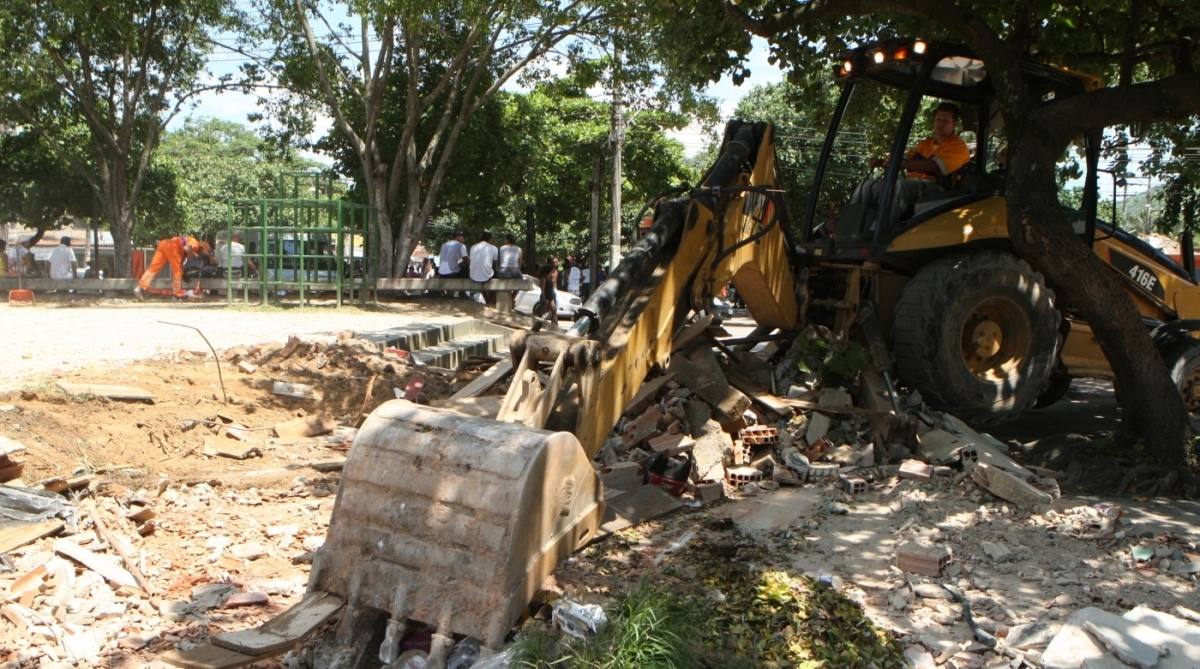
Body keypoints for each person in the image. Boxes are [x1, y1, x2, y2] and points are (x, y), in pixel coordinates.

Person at [850, 102, 971, 225]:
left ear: (955, 124)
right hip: (914, 185)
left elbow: (933, 166)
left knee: (903, 186)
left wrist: (901, 162)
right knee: (867, 186)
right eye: (938, 119)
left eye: (945, 121)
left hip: (937, 189)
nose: (940, 123)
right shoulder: (926, 144)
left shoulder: (958, 147)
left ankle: (878, 231)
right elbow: (904, 158)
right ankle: (850, 228)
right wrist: (882, 162)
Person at [134, 235, 203, 301]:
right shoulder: (195, 244)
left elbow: (180, 260)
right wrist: (197, 256)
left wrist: (183, 274)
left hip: (163, 244)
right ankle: (177, 295)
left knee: (153, 268)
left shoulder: (189, 245)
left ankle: (140, 288)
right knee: (177, 271)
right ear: (201, 248)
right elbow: (186, 248)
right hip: (172, 246)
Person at [468, 231, 499, 305]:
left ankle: (487, 300)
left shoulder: (473, 247)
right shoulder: (494, 248)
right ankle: (490, 301)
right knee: (497, 276)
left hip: (473, 275)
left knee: (481, 274)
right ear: (490, 239)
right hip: (486, 276)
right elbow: (494, 264)